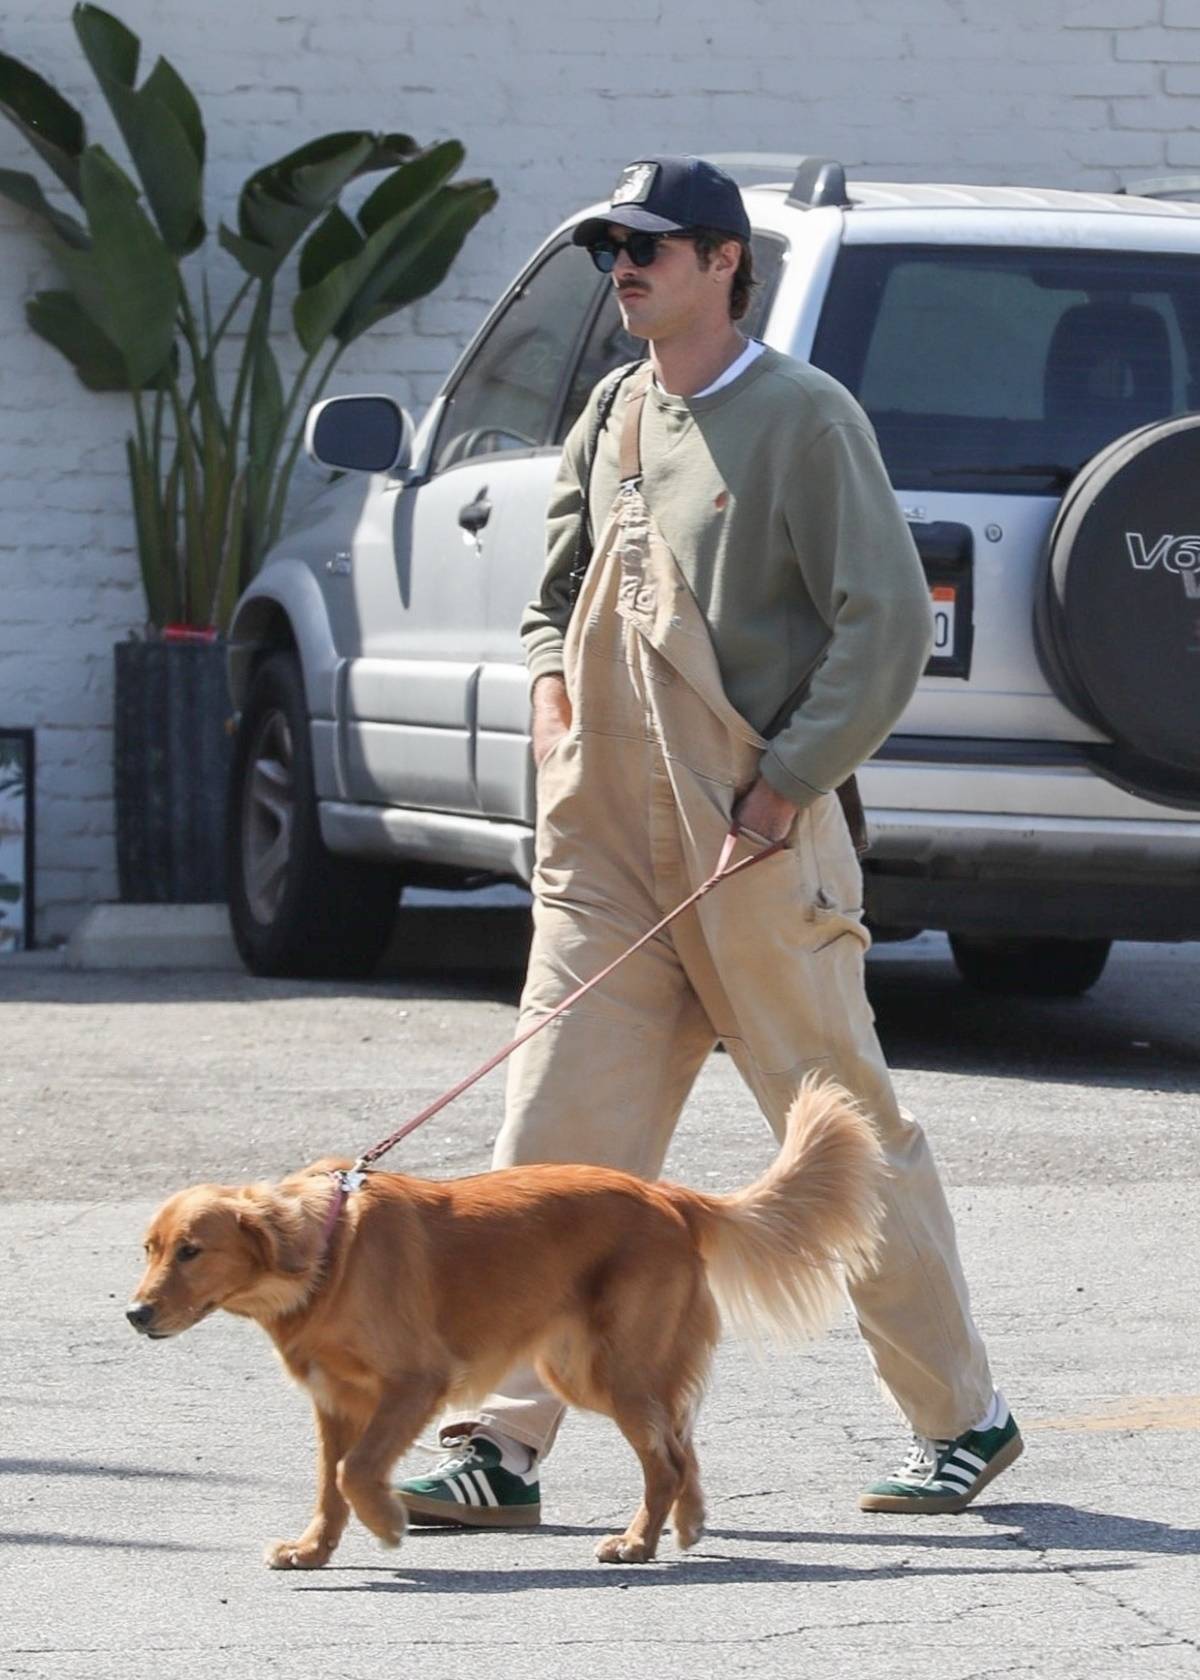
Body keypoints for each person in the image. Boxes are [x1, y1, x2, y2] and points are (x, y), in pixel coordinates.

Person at [399, 155, 1021, 1529]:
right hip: (609, 843)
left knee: (839, 1132)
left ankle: (962, 1418)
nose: (625, 266)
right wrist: (558, 712)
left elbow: (884, 624)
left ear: (726, 262)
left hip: (752, 836)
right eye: (613, 248)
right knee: (548, 1140)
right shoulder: (614, 411)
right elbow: (553, 597)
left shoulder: (804, 418)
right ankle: (500, 1447)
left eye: (654, 246)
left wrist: (788, 787)